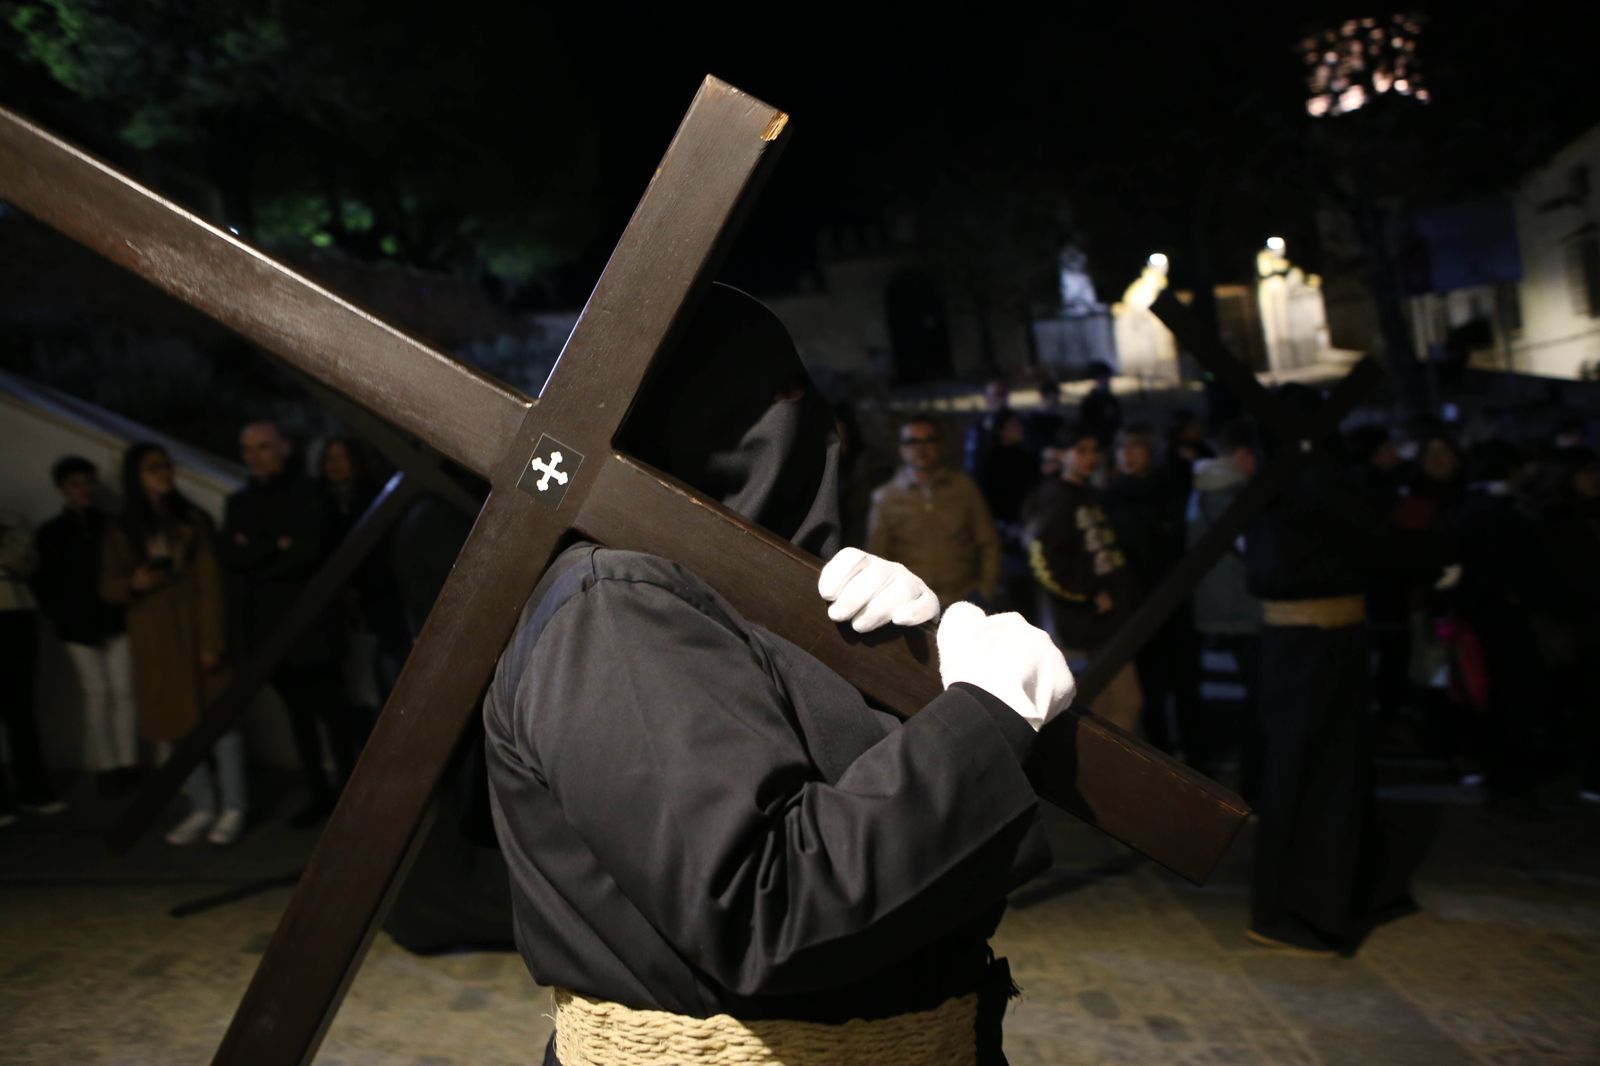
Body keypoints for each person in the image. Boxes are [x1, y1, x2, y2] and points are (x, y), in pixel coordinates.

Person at [484, 285, 1072, 1066]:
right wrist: (985, 717)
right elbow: (769, 908)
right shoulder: (615, 609)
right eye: (771, 396)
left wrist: (897, 680)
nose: (810, 425)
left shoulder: (739, 599)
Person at [1244, 387, 1439, 955]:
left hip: (1297, 645)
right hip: (1319, 647)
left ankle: (1321, 899)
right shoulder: (1318, 483)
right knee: (1319, 775)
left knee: (1307, 772)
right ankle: (1302, 911)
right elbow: (1382, 548)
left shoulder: (1278, 483)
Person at [102, 443, 246, 846]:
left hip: (194, 633)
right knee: (175, 728)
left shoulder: (192, 519)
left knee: (222, 726)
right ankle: (202, 806)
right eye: (153, 468)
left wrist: (212, 641)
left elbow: (210, 585)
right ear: (136, 475)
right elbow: (108, 585)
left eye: (166, 466)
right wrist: (135, 584)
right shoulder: (122, 528)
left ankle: (234, 806)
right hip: (155, 641)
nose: (164, 473)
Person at [219, 421, 352, 827]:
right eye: (248, 449)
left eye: (263, 447)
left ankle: (348, 798)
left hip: (314, 628)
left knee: (333, 716)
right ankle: (319, 794)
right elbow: (232, 556)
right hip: (270, 631)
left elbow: (307, 553)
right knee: (300, 719)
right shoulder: (240, 502)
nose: (255, 456)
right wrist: (276, 547)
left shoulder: (311, 493)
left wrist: (256, 552)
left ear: (284, 448)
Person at [1025, 422, 1143, 733]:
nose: (1089, 458)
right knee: (1106, 710)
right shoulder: (1059, 498)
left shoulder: (1085, 494)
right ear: (1064, 455)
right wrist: (1089, 593)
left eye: (1093, 450)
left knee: (1115, 708)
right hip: (1082, 627)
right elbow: (1044, 559)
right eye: (1081, 451)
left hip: (1104, 623)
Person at [32, 456, 139, 793]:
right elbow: (44, 581)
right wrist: (61, 616)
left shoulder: (110, 526)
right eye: (74, 484)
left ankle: (127, 762)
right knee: (99, 693)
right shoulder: (52, 533)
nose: (82, 490)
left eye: (86, 482)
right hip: (79, 625)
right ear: (63, 489)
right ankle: (109, 765)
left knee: (122, 691)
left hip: (113, 619)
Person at [867, 418, 1001, 607]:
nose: (921, 449)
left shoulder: (963, 488)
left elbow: (988, 542)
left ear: (940, 445)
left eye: (928, 440)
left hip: (963, 599)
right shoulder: (885, 497)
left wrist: (985, 590)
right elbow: (877, 555)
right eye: (912, 442)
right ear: (901, 449)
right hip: (910, 604)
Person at [0, 508, 63, 825]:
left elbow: (26, 562)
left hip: (17, 618)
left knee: (21, 708)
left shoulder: (13, 522)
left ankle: (33, 789)